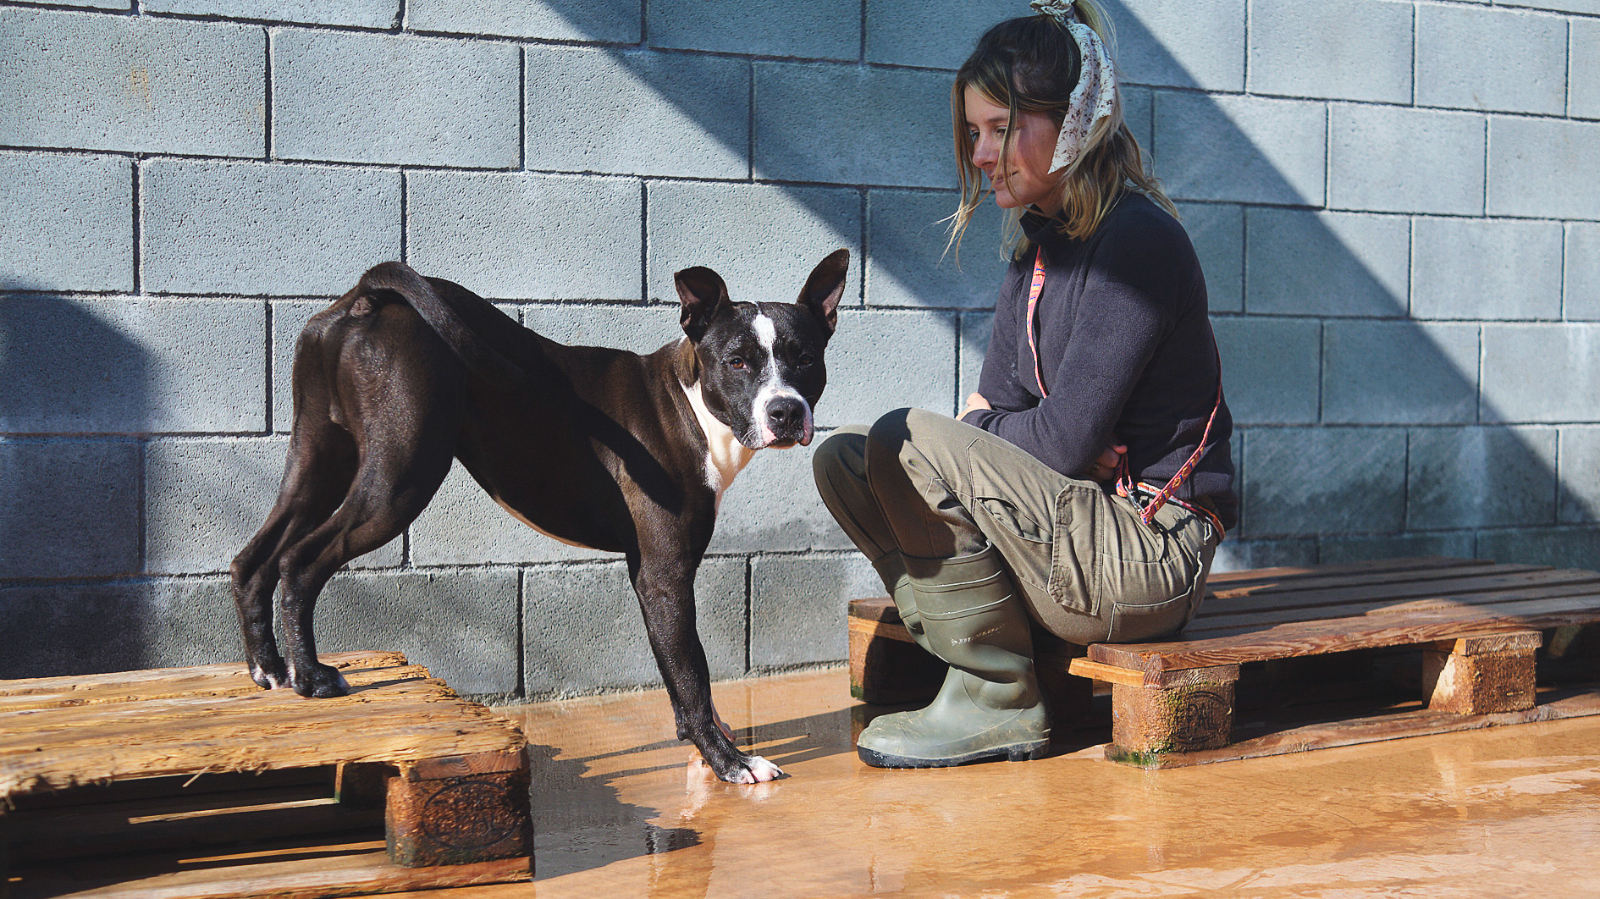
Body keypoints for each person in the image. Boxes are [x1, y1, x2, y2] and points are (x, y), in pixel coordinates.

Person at [812, 0, 1237, 769]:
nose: (980, 152)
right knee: (846, 457)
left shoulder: (1137, 246)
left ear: (1073, 123)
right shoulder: (1034, 254)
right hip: (1078, 526)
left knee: (905, 437)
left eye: (999, 128)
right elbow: (1025, 430)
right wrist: (1030, 436)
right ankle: (990, 655)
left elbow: (1052, 439)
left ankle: (996, 695)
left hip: (1149, 550)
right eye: (973, 132)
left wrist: (1020, 434)